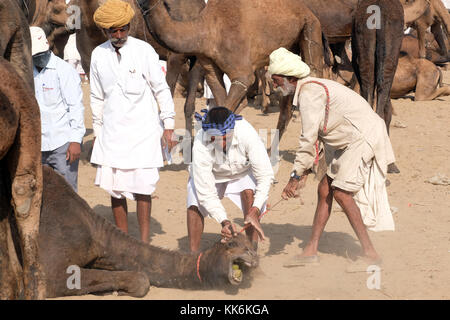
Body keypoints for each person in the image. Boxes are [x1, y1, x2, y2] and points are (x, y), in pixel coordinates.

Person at [268, 48, 396, 267]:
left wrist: (295, 176)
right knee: (324, 190)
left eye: (277, 80)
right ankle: (311, 250)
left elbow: (307, 138)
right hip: (346, 140)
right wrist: (305, 172)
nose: (275, 85)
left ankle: (370, 253)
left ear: (290, 77)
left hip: (361, 136)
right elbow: (317, 134)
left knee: (342, 193)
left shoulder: (309, 93)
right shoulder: (309, 89)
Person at [90, 0, 176, 242]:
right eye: (113, 31)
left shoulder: (144, 51)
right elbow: (96, 96)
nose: (119, 35)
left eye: (123, 29)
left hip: (144, 131)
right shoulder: (98, 55)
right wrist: (98, 131)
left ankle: (144, 241)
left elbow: (162, 89)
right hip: (112, 132)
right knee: (115, 189)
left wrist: (168, 125)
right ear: (105, 31)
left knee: (143, 189)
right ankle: (124, 241)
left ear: (129, 26)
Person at [187, 107, 274, 252]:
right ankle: (193, 257)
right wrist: (224, 221)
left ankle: (252, 253)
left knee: (249, 194)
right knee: (194, 200)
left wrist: (256, 209)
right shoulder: (200, 143)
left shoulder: (246, 132)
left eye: (222, 139)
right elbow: (206, 193)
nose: (218, 144)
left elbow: (265, 175)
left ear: (230, 132)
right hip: (214, 175)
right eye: (212, 139)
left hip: (242, 172)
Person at [31, 26, 85, 192]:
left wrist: (75, 140)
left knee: (67, 192)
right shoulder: (27, 73)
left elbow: (75, 106)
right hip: (37, 144)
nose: (39, 59)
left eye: (41, 54)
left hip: (62, 143)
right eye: (35, 56)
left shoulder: (65, 71)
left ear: (47, 45)